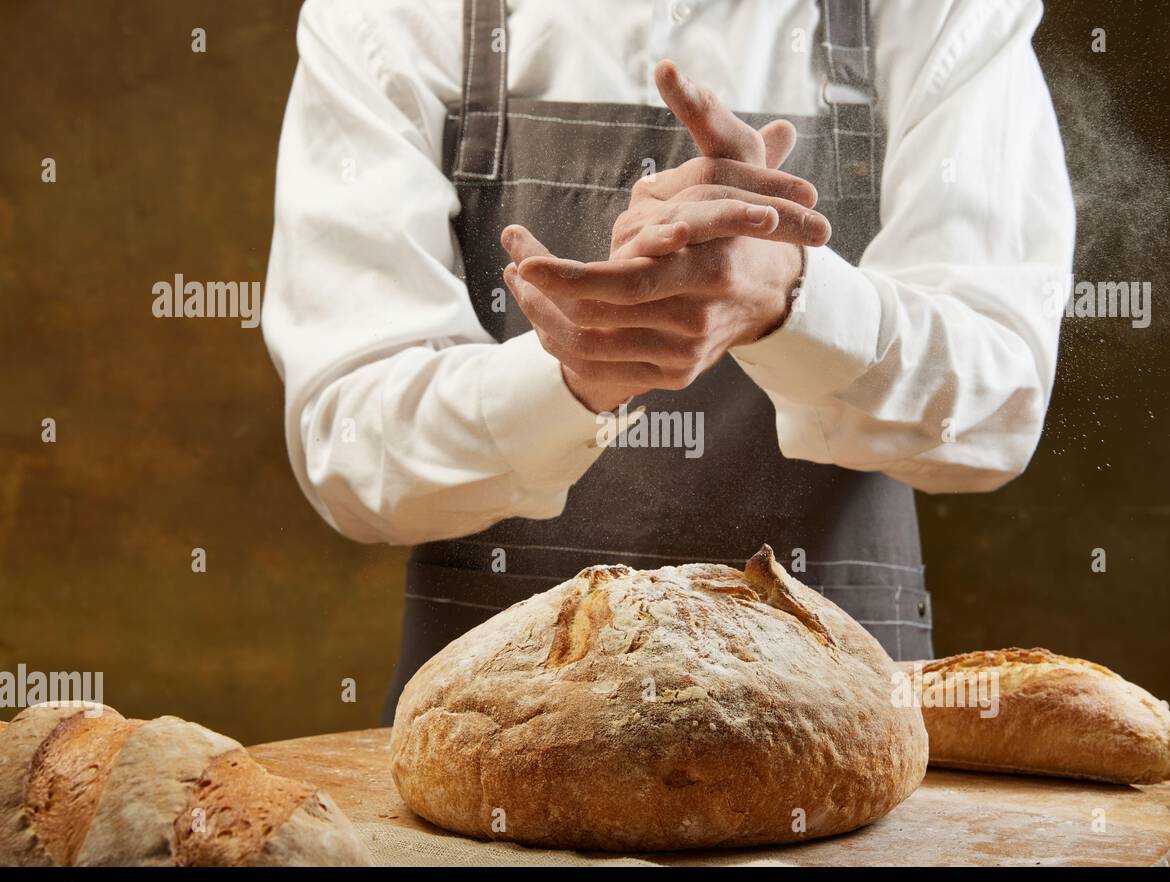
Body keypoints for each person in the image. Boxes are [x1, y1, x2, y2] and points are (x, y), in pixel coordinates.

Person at [262, 0, 1075, 724]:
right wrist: (574, 373)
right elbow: (350, 446)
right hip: (498, 750)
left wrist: (792, 293)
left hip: (842, 744)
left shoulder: (943, 13)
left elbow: (999, 405)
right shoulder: (390, 17)